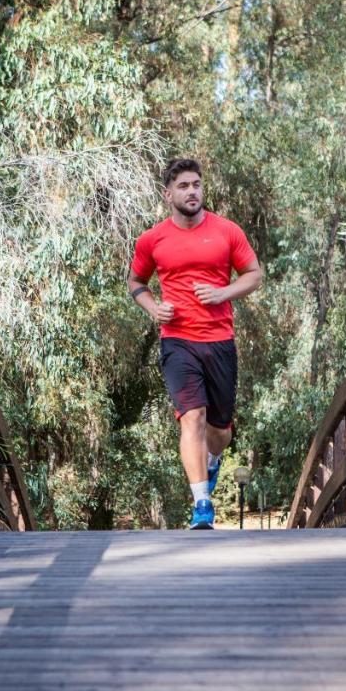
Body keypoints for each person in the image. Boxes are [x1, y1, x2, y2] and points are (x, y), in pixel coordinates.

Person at [128, 158, 263, 529]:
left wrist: (222, 293)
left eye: (197, 185)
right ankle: (202, 503)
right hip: (177, 342)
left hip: (219, 340)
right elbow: (136, 282)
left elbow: (254, 274)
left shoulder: (226, 231)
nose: (192, 191)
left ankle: (214, 460)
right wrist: (153, 307)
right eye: (184, 186)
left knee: (220, 431)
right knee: (192, 417)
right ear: (168, 194)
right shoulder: (152, 239)